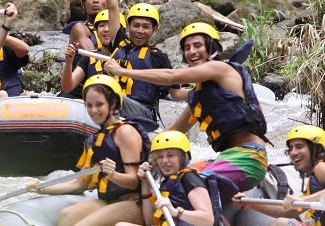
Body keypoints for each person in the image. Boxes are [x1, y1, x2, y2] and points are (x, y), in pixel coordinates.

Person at [103, 21, 269, 194]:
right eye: (187, 48)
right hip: (228, 157)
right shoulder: (200, 96)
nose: (192, 52)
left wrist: (122, 71)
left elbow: (170, 77)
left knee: (184, 185)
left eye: (197, 46)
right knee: (175, 179)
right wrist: (132, 146)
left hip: (249, 157)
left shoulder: (220, 68)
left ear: (211, 48)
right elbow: (174, 130)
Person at [26, 75, 154, 226]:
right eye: (89, 105)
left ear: (114, 104)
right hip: (109, 201)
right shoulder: (93, 139)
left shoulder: (126, 132)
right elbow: (80, 183)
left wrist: (113, 175)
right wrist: (41, 188)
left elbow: (134, 181)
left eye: (99, 104)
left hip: (133, 203)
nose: (94, 110)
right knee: (66, 216)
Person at [107, 131, 227, 226]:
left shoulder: (190, 179)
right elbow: (148, 220)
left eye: (170, 156)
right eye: (160, 157)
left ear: (182, 157)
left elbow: (208, 219)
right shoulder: (167, 183)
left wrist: (177, 212)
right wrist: (145, 183)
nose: (164, 161)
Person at [104, 2, 188, 121]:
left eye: (146, 27)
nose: (140, 31)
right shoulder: (119, 43)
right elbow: (112, 5)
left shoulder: (158, 57)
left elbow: (176, 94)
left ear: (154, 29)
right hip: (115, 106)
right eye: (136, 25)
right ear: (128, 27)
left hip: (143, 112)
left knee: (107, 96)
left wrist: (202, 91)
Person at [60, 8, 127, 100]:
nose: (106, 29)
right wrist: (69, 61)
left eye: (111, 25)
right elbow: (67, 88)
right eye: (102, 26)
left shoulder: (129, 55)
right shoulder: (90, 56)